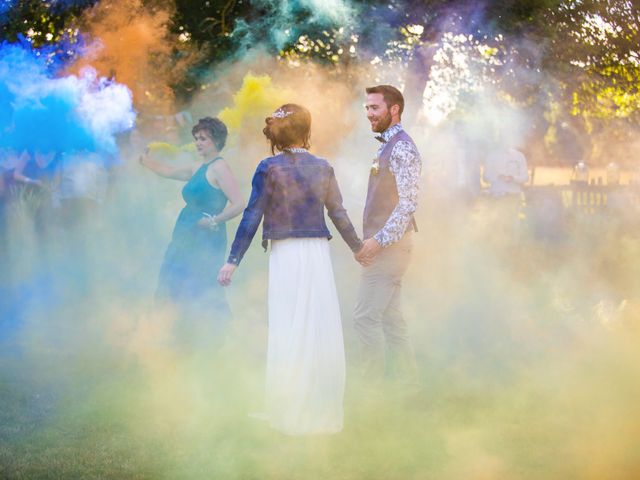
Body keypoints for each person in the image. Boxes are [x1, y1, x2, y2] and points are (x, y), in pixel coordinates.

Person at [217, 104, 363, 435]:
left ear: (279, 134)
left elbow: (252, 215)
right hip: (316, 254)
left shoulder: (269, 167)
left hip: (286, 253)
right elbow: (338, 212)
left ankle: (289, 410)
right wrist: (357, 247)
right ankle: (317, 411)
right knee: (316, 327)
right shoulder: (323, 166)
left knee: (288, 327)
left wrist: (233, 259)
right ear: (307, 132)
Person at [140, 117, 244, 345]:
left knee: (201, 282)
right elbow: (168, 172)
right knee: (174, 279)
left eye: (203, 139)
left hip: (205, 238)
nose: (198, 143)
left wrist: (214, 220)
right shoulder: (199, 167)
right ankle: (178, 335)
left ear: (215, 140)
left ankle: (218, 338)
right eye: (196, 138)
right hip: (184, 234)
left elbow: (238, 203)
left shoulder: (220, 167)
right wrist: (145, 161)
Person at [354, 85, 422, 386]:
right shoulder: (385, 145)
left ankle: (370, 394)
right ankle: (408, 387)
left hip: (391, 250)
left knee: (365, 318)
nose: (369, 113)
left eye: (375, 108)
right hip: (389, 247)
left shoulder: (403, 147)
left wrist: (377, 241)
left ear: (394, 109)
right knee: (392, 322)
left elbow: (408, 204)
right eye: (367, 108)